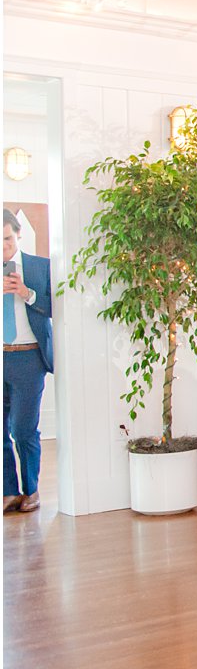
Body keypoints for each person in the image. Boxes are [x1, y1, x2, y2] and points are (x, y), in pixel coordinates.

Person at [3, 209, 51, 515]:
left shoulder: (38, 266)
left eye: (7, 239)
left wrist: (25, 292)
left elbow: (53, 307)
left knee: (22, 429)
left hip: (28, 358)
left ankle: (31, 490)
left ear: (18, 234)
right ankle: (9, 492)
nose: (3, 246)